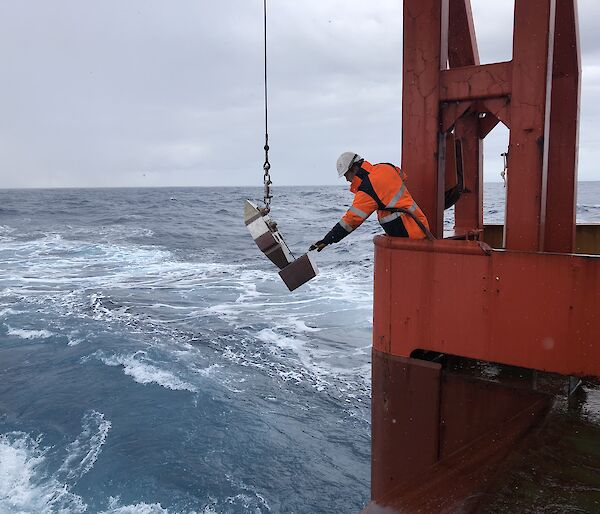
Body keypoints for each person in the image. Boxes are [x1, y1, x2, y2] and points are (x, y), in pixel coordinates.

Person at [310, 152, 430, 252]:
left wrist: (328, 239)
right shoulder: (386, 167)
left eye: (347, 174)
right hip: (419, 225)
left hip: (407, 237)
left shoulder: (367, 189)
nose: (347, 179)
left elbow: (351, 221)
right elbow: (402, 176)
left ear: (355, 168)